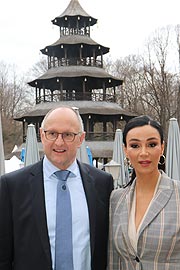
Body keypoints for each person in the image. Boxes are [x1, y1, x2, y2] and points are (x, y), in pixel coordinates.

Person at [0, 106, 114, 270]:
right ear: (42, 135)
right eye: (52, 133)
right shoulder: (12, 186)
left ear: (81, 139)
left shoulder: (102, 183)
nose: (59, 142)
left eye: (68, 135)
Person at [108, 115, 180, 269]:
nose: (144, 153)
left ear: (162, 147)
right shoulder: (116, 199)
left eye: (151, 144)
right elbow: (113, 259)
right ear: (125, 150)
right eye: (135, 146)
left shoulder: (178, 195)